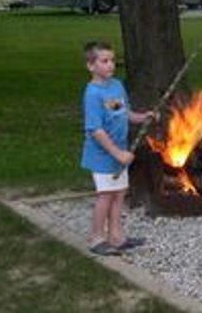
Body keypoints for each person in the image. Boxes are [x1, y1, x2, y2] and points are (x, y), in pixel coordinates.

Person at [81, 41, 153, 256]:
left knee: (119, 194)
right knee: (105, 196)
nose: (110, 65)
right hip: (103, 156)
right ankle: (96, 238)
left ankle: (116, 236)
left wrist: (142, 117)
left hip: (119, 155)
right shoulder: (92, 93)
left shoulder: (116, 86)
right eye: (104, 61)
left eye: (112, 60)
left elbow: (124, 112)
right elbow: (96, 130)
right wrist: (118, 154)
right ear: (91, 66)